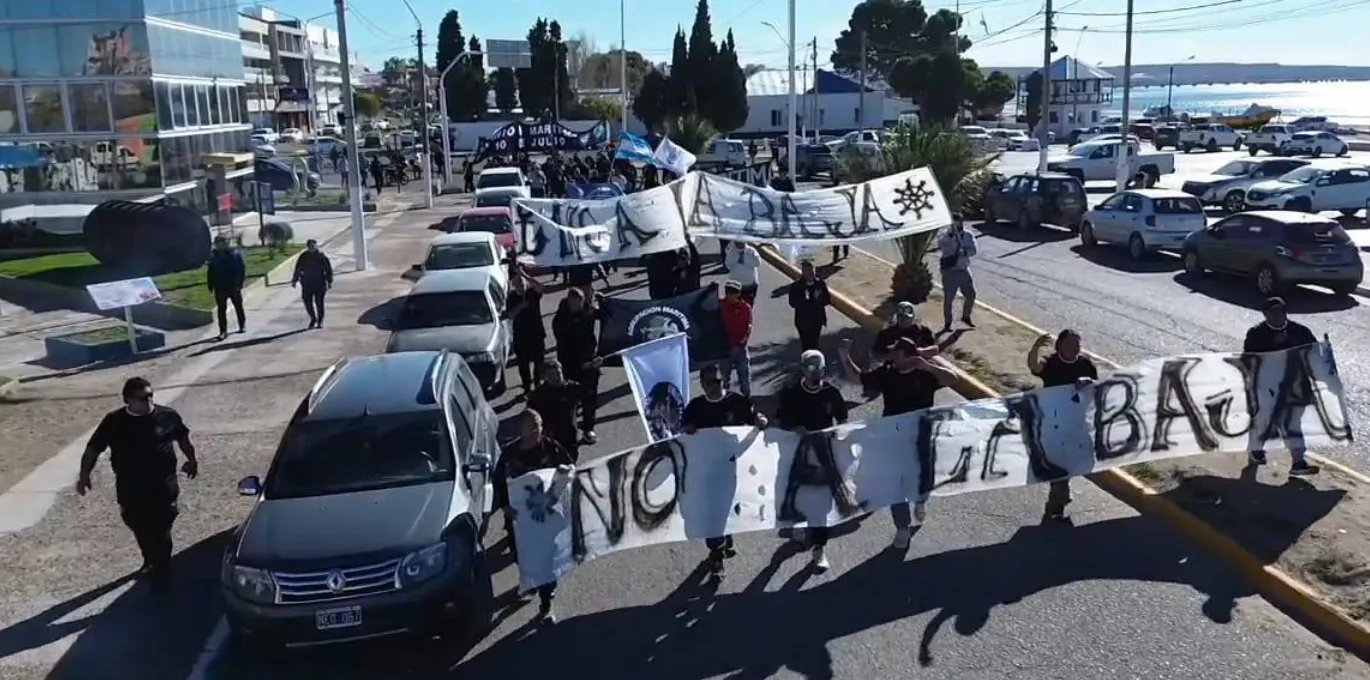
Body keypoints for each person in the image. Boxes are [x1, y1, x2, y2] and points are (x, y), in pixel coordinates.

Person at [76, 377, 198, 591]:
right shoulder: (114, 422)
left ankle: (162, 570)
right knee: (137, 524)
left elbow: (183, 440)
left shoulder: (167, 416)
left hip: (163, 483)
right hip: (130, 486)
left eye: (151, 395)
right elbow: (93, 449)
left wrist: (191, 460)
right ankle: (150, 556)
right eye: (143, 398)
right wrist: (84, 475)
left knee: (162, 527)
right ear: (128, 400)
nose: (148, 401)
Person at [837, 336, 956, 547]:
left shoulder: (925, 375)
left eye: (896, 352)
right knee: (895, 485)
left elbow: (952, 379)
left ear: (908, 356)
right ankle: (902, 528)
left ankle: (920, 500)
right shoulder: (887, 373)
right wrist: (845, 357)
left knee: (923, 480)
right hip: (892, 437)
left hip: (922, 437)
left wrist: (927, 366)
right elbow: (858, 378)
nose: (891, 355)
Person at [680, 363, 768, 578]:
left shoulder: (737, 402)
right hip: (707, 471)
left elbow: (754, 420)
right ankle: (716, 559)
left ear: (724, 380)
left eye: (717, 381)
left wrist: (761, 421)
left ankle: (726, 536)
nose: (713, 386)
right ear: (701, 384)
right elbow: (682, 431)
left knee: (728, 508)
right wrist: (687, 430)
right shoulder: (696, 407)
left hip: (733, 468)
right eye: (708, 383)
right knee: (713, 514)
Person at [495, 409, 573, 625]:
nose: (534, 430)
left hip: (546, 516)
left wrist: (565, 472)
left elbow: (568, 469)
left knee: (546, 558)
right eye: (529, 426)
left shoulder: (552, 448)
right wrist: (505, 507)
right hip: (520, 520)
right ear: (520, 429)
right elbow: (499, 484)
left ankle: (546, 603)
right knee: (522, 555)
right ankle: (530, 580)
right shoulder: (510, 455)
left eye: (537, 424)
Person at [776, 350, 849, 572]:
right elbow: (781, 421)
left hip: (824, 454)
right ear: (802, 369)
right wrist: (794, 428)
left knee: (822, 505)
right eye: (810, 367)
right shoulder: (791, 393)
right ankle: (798, 526)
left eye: (818, 368)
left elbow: (843, 418)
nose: (814, 372)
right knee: (799, 498)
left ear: (824, 369)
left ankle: (819, 549)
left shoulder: (832, 393)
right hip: (798, 454)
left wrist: (839, 433)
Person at [1242, 297, 1320, 475]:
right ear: (1265, 314)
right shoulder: (1256, 333)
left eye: (1282, 311)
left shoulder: (1300, 331)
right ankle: (1255, 451)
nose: (1279, 316)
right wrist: (1273, 347)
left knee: (1293, 424)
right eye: (1274, 312)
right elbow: (1249, 360)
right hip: (1266, 386)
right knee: (1263, 421)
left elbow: (1315, 353)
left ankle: (1298, 462)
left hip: (1294, 386)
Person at [1026, 329, 1099, 520]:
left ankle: (1061, 494)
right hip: (1053, 422)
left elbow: (1096, 389)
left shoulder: (1085, 364)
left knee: (1077, 460)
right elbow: (1035, 367)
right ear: (1060, 345)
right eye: (1069, 344)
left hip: (1076, 421)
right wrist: (1035, 348)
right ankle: (1056, 501)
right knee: (1059, 462)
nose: (1073, 348)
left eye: (1077, 344)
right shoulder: (1051, 363)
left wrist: (1089, 383)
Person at [552, 288, 604, 445]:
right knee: (570, 400)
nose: (577, 306)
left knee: (590, 399)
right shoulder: (560, 320)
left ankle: (588, 428)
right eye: (573, 302)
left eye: (579, 302)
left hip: (590, 364)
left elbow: (606, 316)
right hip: (570, 365)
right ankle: (570, 430)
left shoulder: (589, 313)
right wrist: (579, 362)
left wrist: (603, 302)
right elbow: (564, 345)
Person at [936, 214, 978, 333]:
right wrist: (950, 237)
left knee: (971, 294)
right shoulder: (946, 235)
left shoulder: (968, 235)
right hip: (950, 271)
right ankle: (948, 323)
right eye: (953, 222)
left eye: (957, 221)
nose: (955, 224)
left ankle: (966, 316)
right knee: (949, 298)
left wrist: (964, 252)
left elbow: (974, 250)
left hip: (963, 269)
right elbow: (940, 245)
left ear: (961, 222)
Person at [507, 267, 547, 392]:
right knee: (523, 364)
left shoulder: (532, 293)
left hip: (536, 332)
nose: (521, 284)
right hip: (521, 335)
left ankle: (537, 383)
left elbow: (540, 287)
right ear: (513, 284)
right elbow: (510, 315)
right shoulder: (512, 297)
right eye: (518, 282)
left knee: (539, 361)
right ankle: (527, 387)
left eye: (522, 281)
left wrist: (524, 274)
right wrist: (521, 306)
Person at [206, 236, 246, 341]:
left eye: (220, 243)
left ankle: (242, 325)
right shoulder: (214, 257)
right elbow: (210, 272)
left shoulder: (234, 255)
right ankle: (223, 331)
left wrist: (240, 284)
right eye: (216, 243)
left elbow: (241, 269)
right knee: (221, 310)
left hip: (233, 286)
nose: (218, 245)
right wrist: (210, 285)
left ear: (225, 243)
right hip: (220, 287)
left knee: (238, 306)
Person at [719, 281, 754, 397]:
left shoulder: (745, 308)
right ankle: (723, 399)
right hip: (724, 348)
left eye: (732, 293)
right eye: (728, 293)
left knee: (744, 376)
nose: (730, 296)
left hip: (740, 348)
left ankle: (747, 399)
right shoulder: (720, 306)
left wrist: (740, 344)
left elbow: (748, 327)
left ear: (738, 294)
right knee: (724, 378)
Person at [787, 260, 830, 352]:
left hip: (817, 320)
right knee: (806, 345)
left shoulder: (820, 284)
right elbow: (792, 303)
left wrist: (818, 298)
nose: (811, 274)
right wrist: (805, 300)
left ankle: (815, 363)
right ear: (803, 272)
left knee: (814, 344)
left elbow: (827, 300)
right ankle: (806, 363)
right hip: (803, 322)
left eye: (812, 271)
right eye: (808, 272)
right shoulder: (796, 286)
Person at [291, 239, 334, 329]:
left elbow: (328, 270)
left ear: (316, 246)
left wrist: (329, 281)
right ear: (307, 247)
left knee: (319, 303)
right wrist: (295, 280)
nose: (312, 248)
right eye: (310, 246)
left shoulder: (321, 256)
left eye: (313, 246)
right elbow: (298, 268)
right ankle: (313, 318)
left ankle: (320, 320)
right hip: (307, 283)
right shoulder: (303, 256)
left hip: (319, 283)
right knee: (307, 302)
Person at [874, 301, 938, 361]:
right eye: (901, 316)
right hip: (894, 367)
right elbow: (876, 354)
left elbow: (935, 348)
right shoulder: (886, 334)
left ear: (913, 317)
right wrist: (893, 355)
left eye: (907, 317)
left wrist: (921, 351)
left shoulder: (922, 331)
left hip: (918, 364)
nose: (904, 320)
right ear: (896, 317)